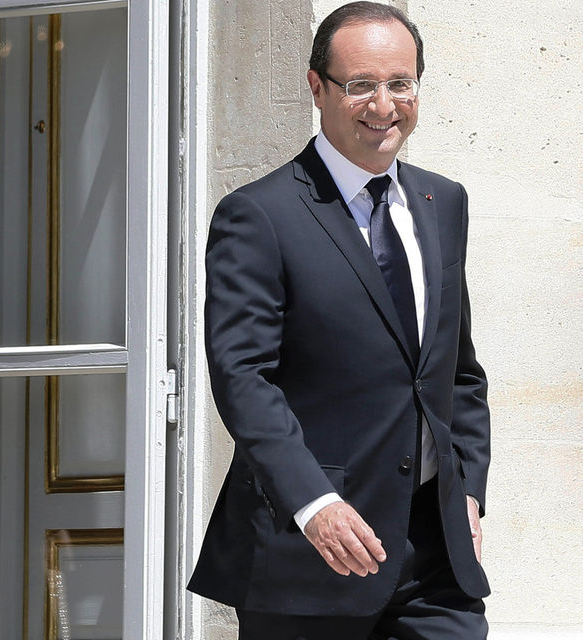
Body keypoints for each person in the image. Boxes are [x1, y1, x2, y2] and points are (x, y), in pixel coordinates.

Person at [188, 3, 491, 638]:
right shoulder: (258, 215)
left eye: (399, 84)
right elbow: (243, 376)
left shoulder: (445, 203)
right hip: (312, 556)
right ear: (317, 87)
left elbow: (456, 369)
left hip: (435, 558)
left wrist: (467, 486)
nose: (384, 106)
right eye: (360, 85)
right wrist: (314, 504)